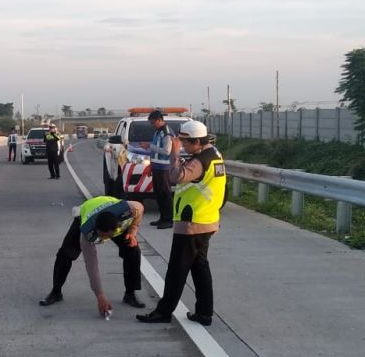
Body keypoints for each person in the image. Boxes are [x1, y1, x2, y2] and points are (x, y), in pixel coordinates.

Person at [137, 121, 227, 326]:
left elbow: (176, 177)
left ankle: (164, 311)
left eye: (186, 142)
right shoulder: (214, 155)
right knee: (199, 267)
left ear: (197, 141)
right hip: (207, 219)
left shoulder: (200, 161)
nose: (183, 145)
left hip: (192, 223)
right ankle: (204, 313)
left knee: (177, 270)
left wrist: (175, 154)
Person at [39, 196, 148, 316]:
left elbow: (140, 208)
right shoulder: (87, 234)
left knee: (132, 249)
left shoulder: (131, 209)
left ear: (116, 228)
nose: (101, 239)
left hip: (111, 212)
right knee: (65, 253)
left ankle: (130, 294)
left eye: (105, 236)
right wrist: (100, 297)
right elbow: (92, 266)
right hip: (86, 214)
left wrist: (132, 233)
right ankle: (56, 292)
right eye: (100, 235)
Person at [140, 110, 176, 229]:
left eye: (153, 122)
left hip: (164, 168)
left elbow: (167, 151)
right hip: (156, 167)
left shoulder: (167, 133)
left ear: (160, 120)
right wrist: (151, 166)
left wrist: (149, 146)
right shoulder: (157, 132)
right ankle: (162, 218)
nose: (152, 125)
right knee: (159, 194)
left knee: (166, 194)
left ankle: (168, 220)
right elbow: (155, 152)